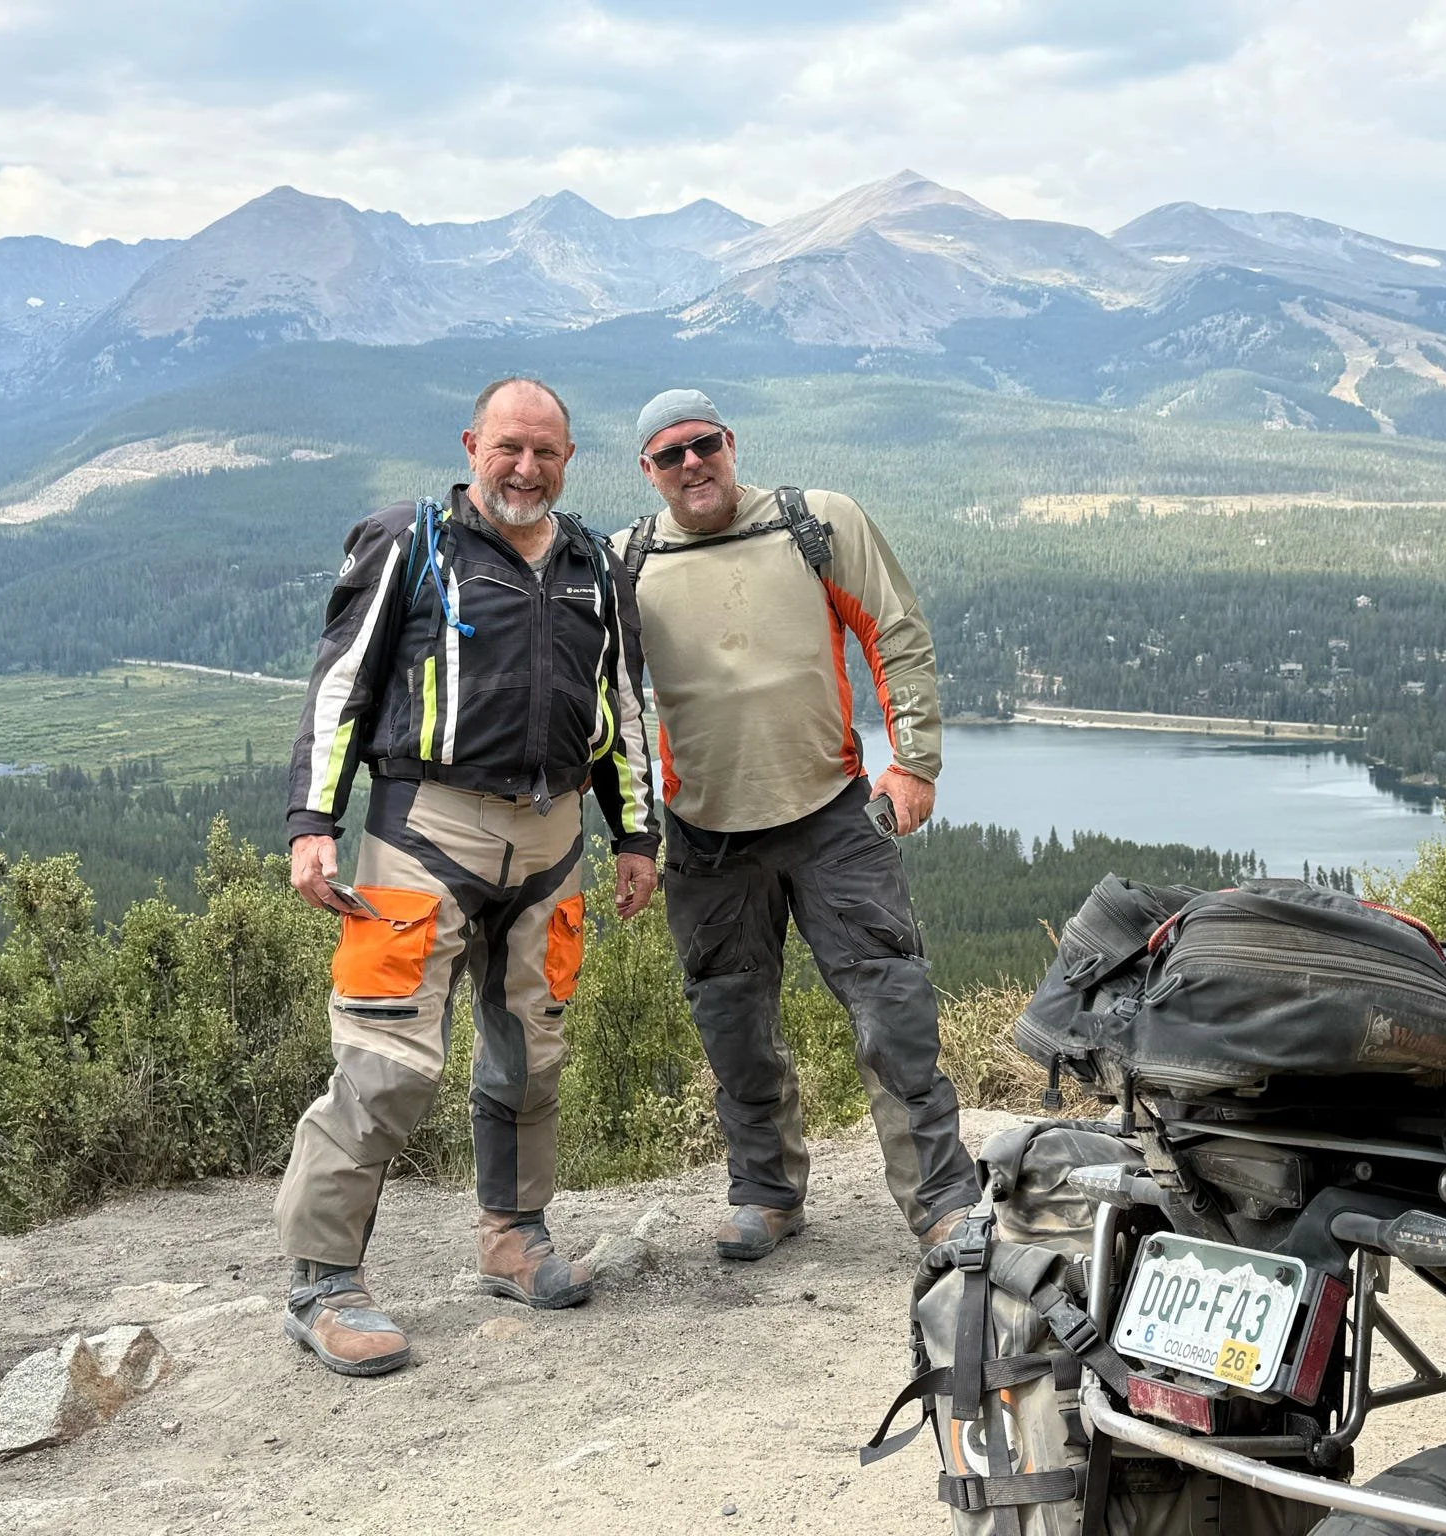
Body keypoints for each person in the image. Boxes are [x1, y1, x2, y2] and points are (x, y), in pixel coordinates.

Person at [275, 376, 660, 1376]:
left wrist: (636, 835)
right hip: (423, 833)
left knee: (531, 1055)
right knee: (386, 1063)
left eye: (545, 452)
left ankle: (511, 1236)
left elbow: (620, 704)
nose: (525, 468)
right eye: (508, 448)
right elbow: (339, 685)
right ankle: (322, 1284)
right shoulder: (411, 542)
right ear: (471, 446)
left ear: (568, 461)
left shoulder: (590, 565)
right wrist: (311, 822)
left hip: (551, 841)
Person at [616, 387, 980, 1262]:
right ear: (648, 471)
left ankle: (942, 1203)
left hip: (831, 815)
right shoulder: (627, 562)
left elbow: (895, 632)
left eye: (703, 444)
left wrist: (915, 761)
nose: (692, 463)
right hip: (704, 833)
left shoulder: (815, 524)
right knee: (733, 1024)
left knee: (892, 1011)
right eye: (671, 455)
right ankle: (767, 1194)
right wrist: (633, 830)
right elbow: (616, 705)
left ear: (730, 443)